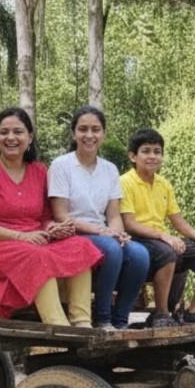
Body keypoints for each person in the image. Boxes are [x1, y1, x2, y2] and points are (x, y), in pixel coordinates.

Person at [0, 107, 103, 325]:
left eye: (18, 132)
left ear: (30, 137)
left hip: (34, 239)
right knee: (35, 255)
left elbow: (44, 216)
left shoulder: (38, 171)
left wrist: (52, 228)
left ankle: (82, 323)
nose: (11, 138)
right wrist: (20, 236)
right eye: (4, 132)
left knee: (80, 246)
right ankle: (57, 325)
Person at [49, 106, 150, 330]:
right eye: (83, 129)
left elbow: (114, 214)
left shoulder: (110, 169)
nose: (89, 135)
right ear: (74, 133)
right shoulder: (61, 166)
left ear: (103, 134)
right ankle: (102, 319)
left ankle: (120, 320)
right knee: (111, 249)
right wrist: (103, 232)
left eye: (96, 129)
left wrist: (117, 232)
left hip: (103, 233)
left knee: (140, 254)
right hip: (72, 234)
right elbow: (60, 215)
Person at [119, 128, 195, 325]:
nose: (152, 156)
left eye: (157, 151)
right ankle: (161, 314)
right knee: (168, 251)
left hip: (162, 241)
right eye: (146, 151)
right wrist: (164, 236)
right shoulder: (125, 182)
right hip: (137, 241)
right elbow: (129, 224)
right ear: (133, 156)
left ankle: (193, 312)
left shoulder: (164, 184)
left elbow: (178, 220)